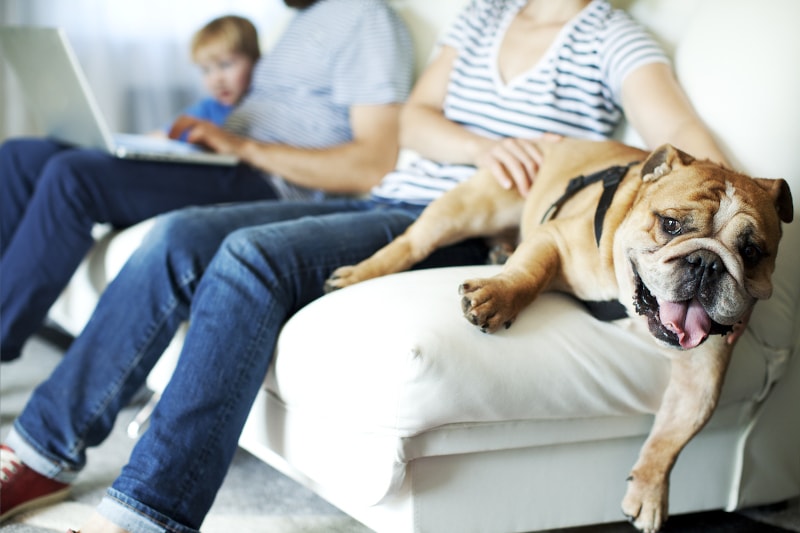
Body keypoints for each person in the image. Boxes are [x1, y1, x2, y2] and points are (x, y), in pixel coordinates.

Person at [1, 0, 730, 531]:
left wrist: (728, 223)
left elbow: (685, 142)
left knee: (248, 259)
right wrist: (481, 146)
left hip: (470, 225)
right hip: (394, 194)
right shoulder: (484, 16)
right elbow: (413, 119)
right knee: (175, 235)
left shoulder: (608, 34)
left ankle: (146, 515)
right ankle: (42, 448)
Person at [0, 0, 413, 362]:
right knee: (21, 155)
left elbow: (371, 164)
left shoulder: (367, 16)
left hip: (264, 180)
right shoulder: (303, 19)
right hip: (219, 161)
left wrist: (240, 147)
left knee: (74, 175)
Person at [151, 14, 261, 137]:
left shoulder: (265, 104)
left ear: (256, 60)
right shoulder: (208, 109)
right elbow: (163, 135)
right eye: (206, 70)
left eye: (225, 65)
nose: (216, 79)